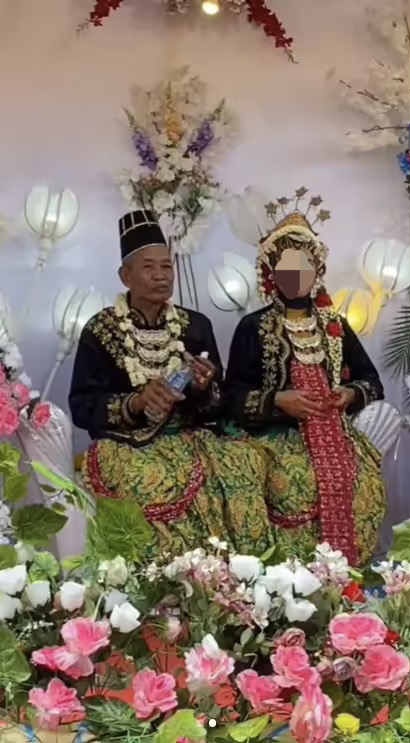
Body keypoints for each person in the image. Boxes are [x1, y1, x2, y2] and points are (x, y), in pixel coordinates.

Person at [69, 209, 273, 555]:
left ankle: (238, 577)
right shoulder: (100, 330)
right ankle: (162, 584)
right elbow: (82, 406)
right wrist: (135, 403)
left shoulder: (195, 326)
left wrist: (205, 386)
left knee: (242, 465)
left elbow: (220, 403)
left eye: (167, 266)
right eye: (149, 267)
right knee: (151, 479)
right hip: (127, 445)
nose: (161, 276)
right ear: (125, 276)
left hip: (191, 437)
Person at [223, 191, 387, 567]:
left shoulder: (335, 325)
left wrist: (348, 393)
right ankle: (290, 587)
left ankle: (347, 580)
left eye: (304, 266)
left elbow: (372, 382)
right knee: (295, 484)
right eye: (287, 266)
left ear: (317, 271)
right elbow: (230, 397)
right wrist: (278, 401)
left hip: (336, 432)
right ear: (272, 272)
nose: (296, 275)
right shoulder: (253, 327)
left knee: (366, 484)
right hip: (277, 437)